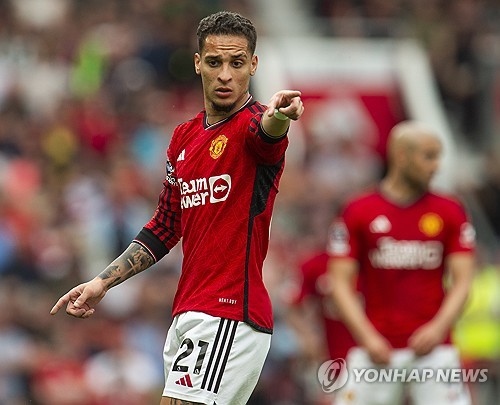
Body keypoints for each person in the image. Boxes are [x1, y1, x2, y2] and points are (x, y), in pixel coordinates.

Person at [50, 11, 304, 405]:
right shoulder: (183, 138)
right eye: (215, 62)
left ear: (253, 65)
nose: (225, 75)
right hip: (189, 312)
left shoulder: (254, 126)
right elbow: (166, 226)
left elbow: (268, 135)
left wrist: (280, 117)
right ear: (197, 62)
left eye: (237, 63)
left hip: (228, 313)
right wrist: (102, 282)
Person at [328, 121, 476, 405]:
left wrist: (438, 328)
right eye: (429, 156)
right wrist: (368, 337)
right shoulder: (358, 211)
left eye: (438, 156)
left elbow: (463, 280)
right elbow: (339, 283)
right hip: (376, 348)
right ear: (401, 156)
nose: (437, 166)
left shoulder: (451, 210)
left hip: (434, 351)